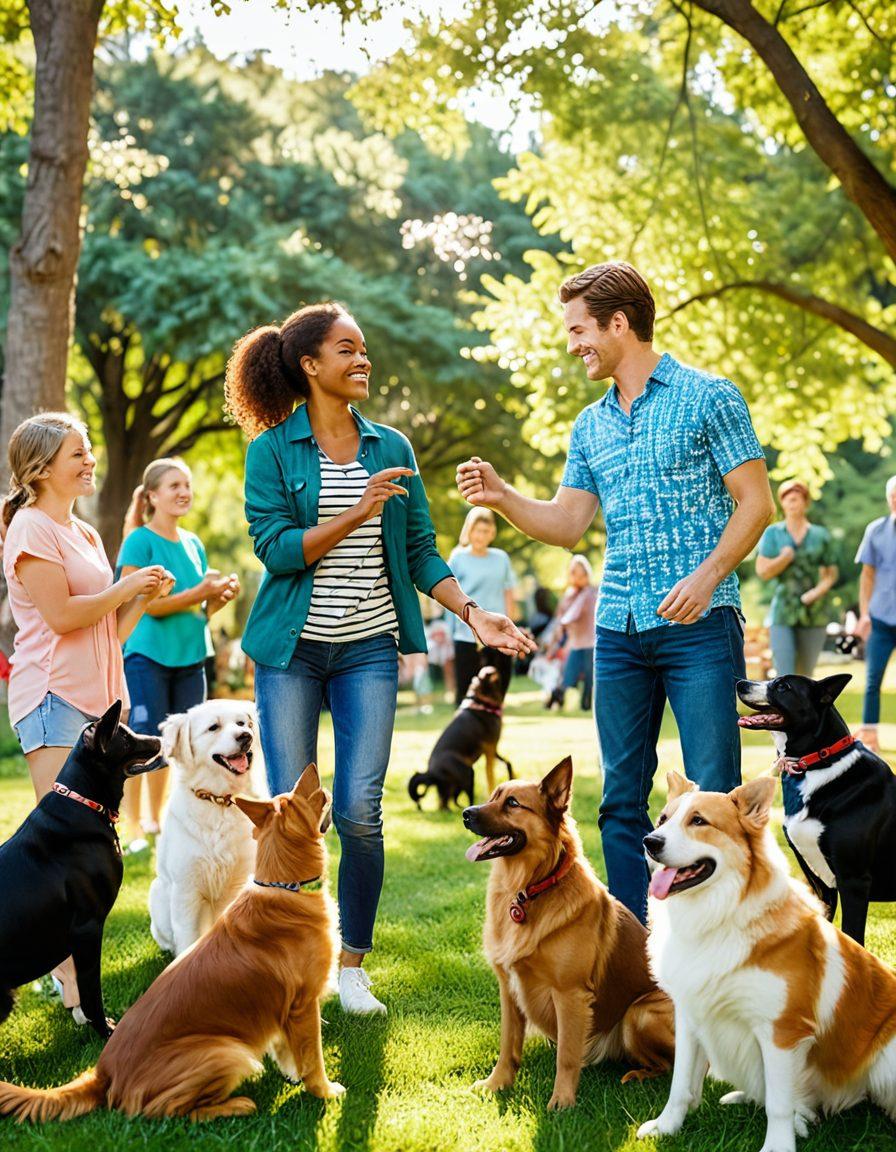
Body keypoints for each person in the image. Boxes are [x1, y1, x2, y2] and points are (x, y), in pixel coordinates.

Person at [225, 301, 534, 1015]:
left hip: (368, 648)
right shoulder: (272, 450)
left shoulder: (391, 446)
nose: (362, 360)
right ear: (309, 365)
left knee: (361, 809)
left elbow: (424, 550)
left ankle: (352, 965)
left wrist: (474, 612)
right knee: (291, 812)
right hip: (291, 653)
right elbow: (273, 548)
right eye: (347, 350)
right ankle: (285, 954)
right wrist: (355, 514)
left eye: (363, 349)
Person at [456, 261, 774, 924]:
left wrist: (708, 575)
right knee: (619, 803)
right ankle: (639, 955)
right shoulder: (590, 427)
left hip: (700, 627)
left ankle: (720, 942)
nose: (573, 344)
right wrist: (504, 496)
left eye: (579, 330)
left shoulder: (711, 397)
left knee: (716, 796)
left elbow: (756, 503)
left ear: (619, 322)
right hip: (620, 629)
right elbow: (569, 523)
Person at [2, 412, 171, 1013]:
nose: (90, 459)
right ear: (42, 467)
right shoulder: (29, 528)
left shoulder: (86, 534)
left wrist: (140, 600)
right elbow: (63, 618)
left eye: (90, 449)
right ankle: (73, 988)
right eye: (79, 452)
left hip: (97, 703)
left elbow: (105, 630)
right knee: (63, 853)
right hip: (52, 698)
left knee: (87, 848)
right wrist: (124, 588)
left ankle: (65, 979)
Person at [117, 458, 239, 843]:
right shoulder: (139, 540)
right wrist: (198, 593)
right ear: (152, 495)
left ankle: (159, 821)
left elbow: (199, 611)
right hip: (147, 656)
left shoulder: (193, 544)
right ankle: (134, 826)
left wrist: (216, 598)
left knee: (181, 743)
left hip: (190, 657)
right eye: (174, 486)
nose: (184, 492)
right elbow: (142, 603)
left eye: (186, 485)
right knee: (143, 738)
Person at [755, 479, 838, 678]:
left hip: (814, 612)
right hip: (782, 611)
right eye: (788, 499)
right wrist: (784, 559)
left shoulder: (820, 535)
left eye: (797, 499)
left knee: (805, 676)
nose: (793, 503)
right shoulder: (773, 533)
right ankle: (783, 710)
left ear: (806, 503)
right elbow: (763, 571)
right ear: (782, 503)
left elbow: (831, 574)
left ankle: (804, 710)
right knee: (784, 675)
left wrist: (816, 592)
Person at [448, 507, 517, 704]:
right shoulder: (458, 558)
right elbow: (448, 594)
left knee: (498, 690)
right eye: (477, 530)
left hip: (498, 635)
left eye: (486, 531)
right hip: (466, 635)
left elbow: (509, 592)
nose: (481, 536)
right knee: (466, 695)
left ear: (493, 533)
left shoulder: (501, 558)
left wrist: (510, 629)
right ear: (469, 530)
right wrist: (449, 630)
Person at [854, 476, 896, 754]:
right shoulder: (876, 530)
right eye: (893, 495)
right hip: (881, 618)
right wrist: (864, 614)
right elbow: (866, 576)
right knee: (872, 681)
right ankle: (869, 735)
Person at [547, 555, 598, 711]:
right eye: (575, 573)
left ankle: (586, 706)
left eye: (582, 574)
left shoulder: (592, 593)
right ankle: (556, 700)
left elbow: (571, 616)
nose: (579, 577)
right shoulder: (568, 595)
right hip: (574, 643)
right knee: (568, 675)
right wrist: (554, 641)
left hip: (591, 642)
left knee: (590, 677)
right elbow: (560, 619)